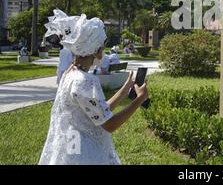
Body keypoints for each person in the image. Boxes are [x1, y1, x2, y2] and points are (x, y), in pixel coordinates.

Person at [39, 10, 149, 165]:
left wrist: (125, 89)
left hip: (71, 149)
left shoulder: (70, 74)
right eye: (101, 48)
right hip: (86, 154)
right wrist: (139, 100)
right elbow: (109, 125)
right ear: (96, 52)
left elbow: (99, 111)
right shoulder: (85, 81)